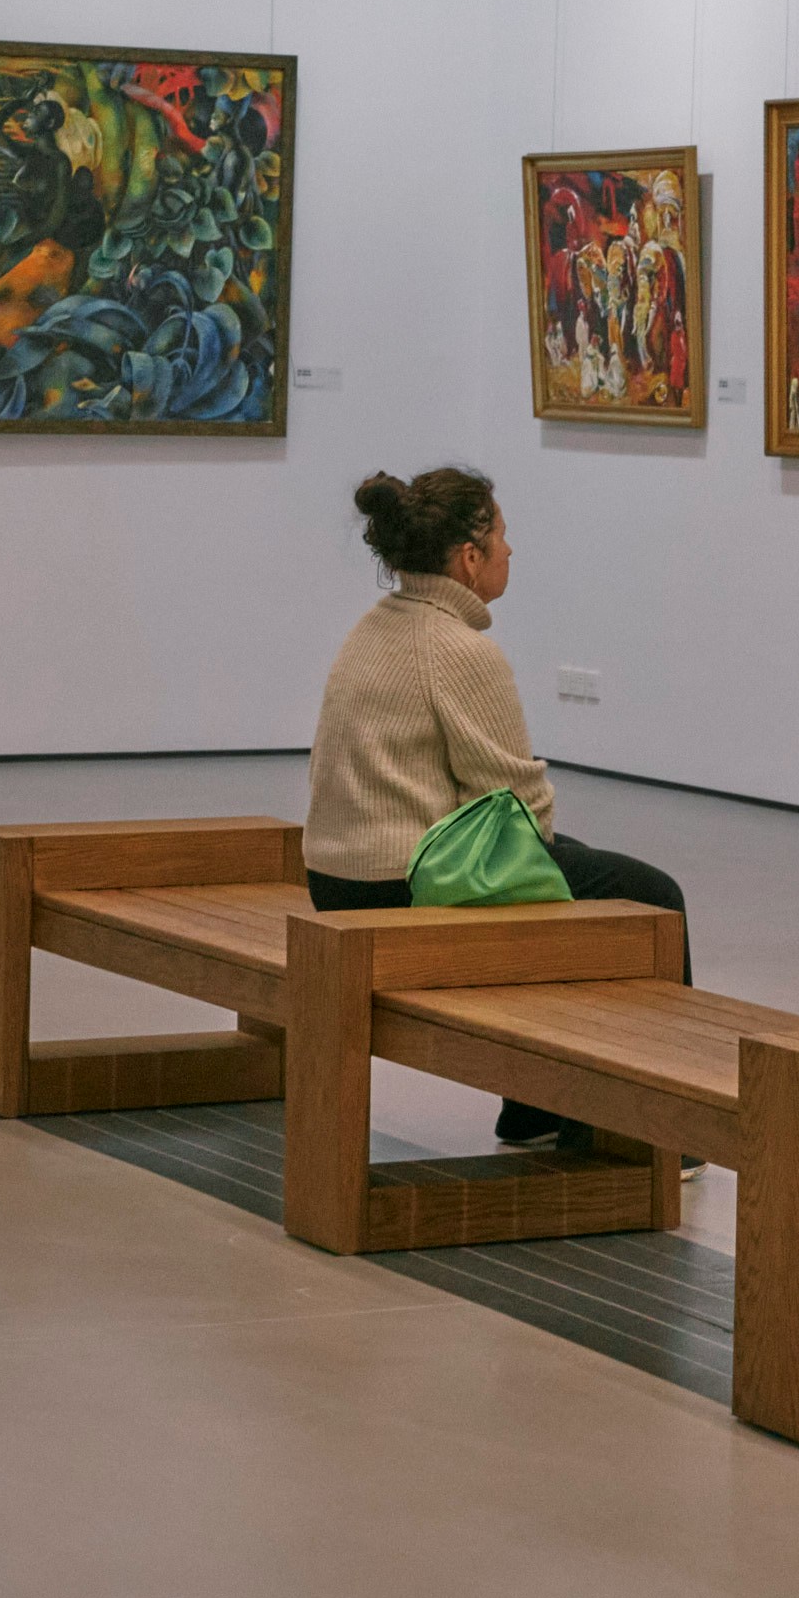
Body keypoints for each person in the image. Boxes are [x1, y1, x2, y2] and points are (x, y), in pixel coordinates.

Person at [304, 466, 691, 1152]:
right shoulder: (459, 649)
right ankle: (659, 1132)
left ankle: (535, 1107)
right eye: (503, 536)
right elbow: (520, 809)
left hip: (339, 879)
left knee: (565, 874)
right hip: (406, 889)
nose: (513, 550)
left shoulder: (372, 627)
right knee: (649, 896)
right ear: (469, 558)